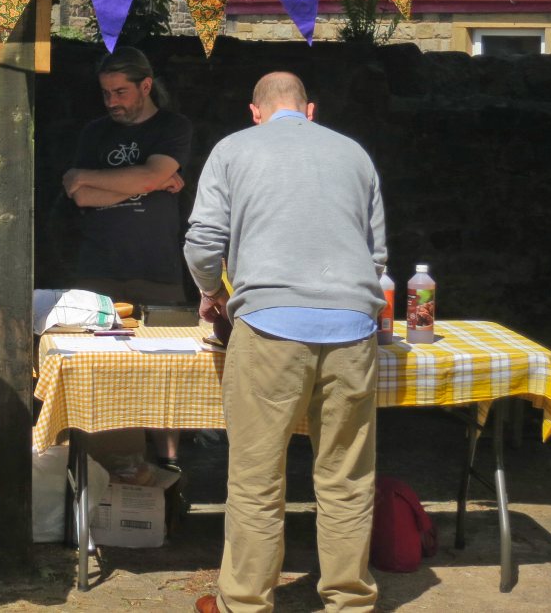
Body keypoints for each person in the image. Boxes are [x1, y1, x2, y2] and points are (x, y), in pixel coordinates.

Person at [183, 72, 387, 613]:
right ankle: (350, 599)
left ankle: (245, 602)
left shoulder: (232, 150)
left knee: (256, 475)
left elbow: (203, 243)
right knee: (346, 475)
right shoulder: (355, 154)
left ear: (256, 112)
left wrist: (212, 294)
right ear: (309, 110)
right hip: (353, 327)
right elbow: (378, 256)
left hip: (269, 326)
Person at [60, 46, 193, 469]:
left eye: (120, 92)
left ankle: (169, 472)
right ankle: (105, 472)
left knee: (168, 376)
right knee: (99, 372)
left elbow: (111, 179)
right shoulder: (94, 132)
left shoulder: (173, 126)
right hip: (99, 274)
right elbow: (78, 193)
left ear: (146, 86)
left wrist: (116, 181)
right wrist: (150, 183)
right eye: (106, 93)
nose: (112, 101)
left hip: (157, 269)